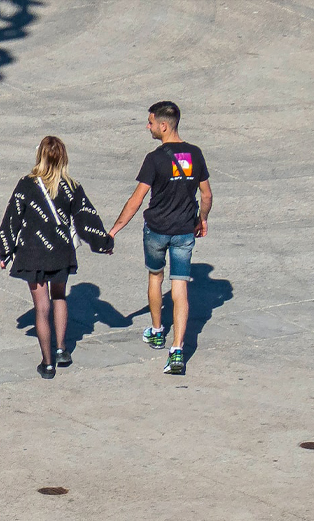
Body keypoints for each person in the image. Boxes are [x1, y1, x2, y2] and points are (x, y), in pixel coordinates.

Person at [107, 100, 213, 376]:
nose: (148, 126)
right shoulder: (195, 154)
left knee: (156, 277)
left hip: (156, 230)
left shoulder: (154, 159)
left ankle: (156, 332)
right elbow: (207, 194)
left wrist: (115, 229)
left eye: (151, 122)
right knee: (180, 287)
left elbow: (136, 200)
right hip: (183, 231)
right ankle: (177, 349)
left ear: (163, 126)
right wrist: (202, 220)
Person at [0, 136, 115, 379]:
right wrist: (103, 243)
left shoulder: (26, 184)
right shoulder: (71, 186)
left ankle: (47, 363)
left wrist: (5, 251)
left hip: (33, 253)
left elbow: (12, 219)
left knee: (41, 307)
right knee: (59, 296)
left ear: (39, 155)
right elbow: (86, 219)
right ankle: (62, 350)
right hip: (60, 252)